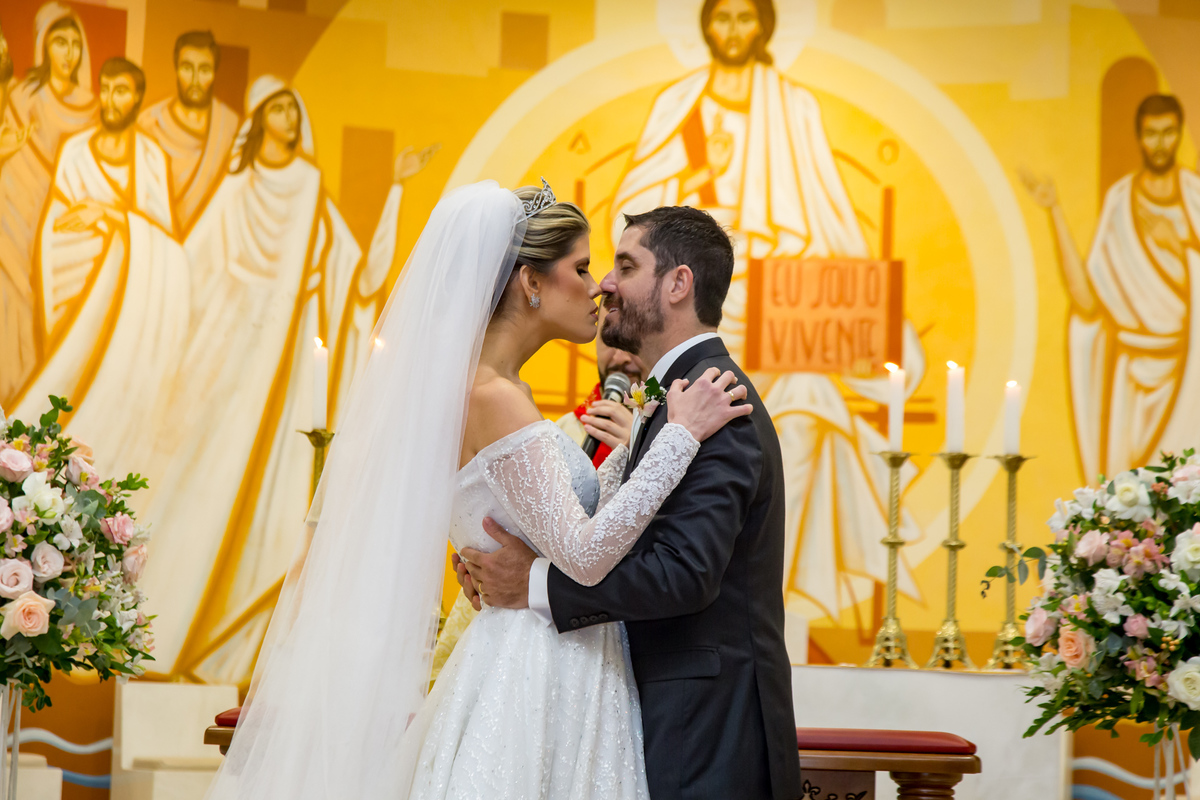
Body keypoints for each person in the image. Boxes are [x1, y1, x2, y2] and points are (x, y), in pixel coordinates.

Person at [204, 183, 750, 799]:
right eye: (582, 267)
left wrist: (638, 442)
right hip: (537, 666)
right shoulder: (492, 397)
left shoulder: (492, 391)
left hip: (547, 649)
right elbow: (587, 555)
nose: (598, 287)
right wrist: (677, 438)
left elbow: (557, 519)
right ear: (530, 282)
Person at [460, 205, 802, 799]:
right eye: (596, 266)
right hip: (634, 705)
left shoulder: (716, 400)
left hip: (704, 729)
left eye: (623, 265)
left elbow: (685, 573)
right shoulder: (676, 399)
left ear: (678, 283)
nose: (606, 285)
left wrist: (531, 584)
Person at [610, 0, 922, 618]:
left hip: (777, 291)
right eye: (721, 18)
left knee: (811, 398)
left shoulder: (795, 106)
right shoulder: (679, 106)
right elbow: (638, 209)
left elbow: (829, 215)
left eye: (744, 18)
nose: (732, 31)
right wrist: (703, 169)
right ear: (705, 26)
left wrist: (862, 303)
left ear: (764, 26)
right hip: (701, 287)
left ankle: (793, 590)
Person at [137, 75, 436, 684]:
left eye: (293, 109)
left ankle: (248, 634)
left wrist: (397, 192)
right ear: (258, 119)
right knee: (213, 487)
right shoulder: (236, 188)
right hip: (234, 366)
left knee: (278, 503)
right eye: (276, 109)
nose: (288, 118)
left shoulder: (308, 188)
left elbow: (360, 278)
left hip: (294, 369)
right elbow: (191, 273)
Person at [432, 304, 643, 682]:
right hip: (528, 639)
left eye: (630, 340)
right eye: (610, 340)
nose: (620, 355)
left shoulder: (655, 437)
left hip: (618, 640)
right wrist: (481, 553)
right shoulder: (556, 427)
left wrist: (648, 446)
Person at [10, 57, 189, 486]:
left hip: (129, 320)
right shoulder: (75, 151)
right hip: (74, 307)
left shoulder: (150, 158)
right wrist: (97, 242)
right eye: (105, 89)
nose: (111, 99)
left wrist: (110, 218)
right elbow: (55, 234)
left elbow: (165, 247)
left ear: (137, 97)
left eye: (122, 91)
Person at [1021, 94, 1200, 481]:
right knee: (1127, 504)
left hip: (1189, 381)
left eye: (1169, 132)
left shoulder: (1196, 197)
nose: (1160, 143)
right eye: (1151, 134)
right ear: (1139, 137)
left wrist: (1182, 247)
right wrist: (1054, 211)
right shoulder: (1120, 201)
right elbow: (1087, 301)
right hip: (1130, 378)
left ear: (1180, 133)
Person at [0, 2, 99, 406]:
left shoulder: (93, 107)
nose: (70, 52)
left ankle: (37, 405)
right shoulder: (21, 95)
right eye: (61, 42)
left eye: (76, 43)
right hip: (12, 215)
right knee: (12, 304)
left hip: (59, 228)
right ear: (45, 45)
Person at [138, 31, 240, 237]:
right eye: (187, 68)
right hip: (159, 241)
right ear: (176, 69)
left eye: (204, 70)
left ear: (214, 73)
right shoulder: (149, 123)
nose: (195, 79)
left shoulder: (231, 126)